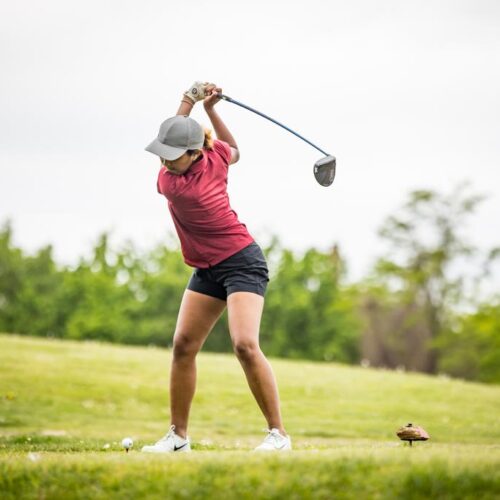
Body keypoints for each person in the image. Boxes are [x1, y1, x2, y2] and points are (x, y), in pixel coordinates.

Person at [141, 82, 291, 453]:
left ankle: (278, 436)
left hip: (241, 262)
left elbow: (186, 134)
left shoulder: (174, 186)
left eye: (172, 155)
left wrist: (188, 103)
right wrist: (210, 110)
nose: (164, 162)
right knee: (183, 345)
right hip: (207, 267)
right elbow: (234, 150)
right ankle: (178, 437)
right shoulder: (215, 156)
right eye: (162, 155)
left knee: (243, 344)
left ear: (194, 154)